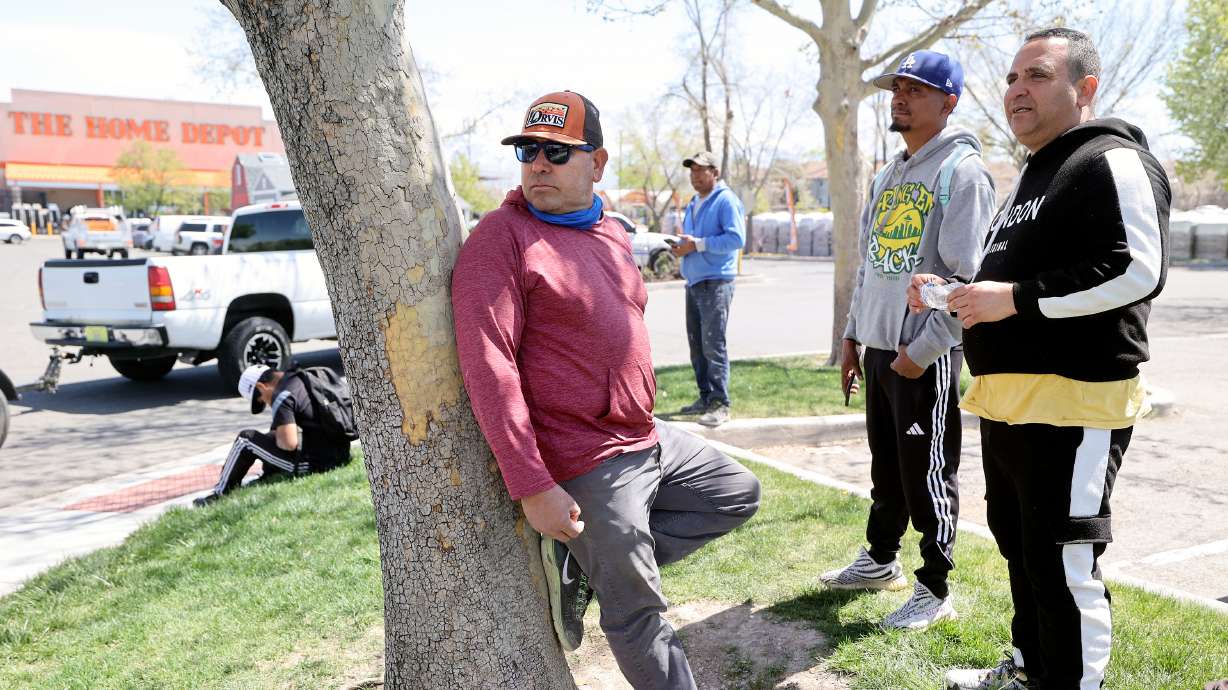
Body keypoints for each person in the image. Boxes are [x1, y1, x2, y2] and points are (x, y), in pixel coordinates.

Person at [451, 91, 761, 690]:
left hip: (646, 435)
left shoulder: (611, 230)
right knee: (640, 611)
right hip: (583, 455)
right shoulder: (501, 239)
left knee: (735, 493)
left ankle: (590, 565)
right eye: (529, 152)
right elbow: (489, 367)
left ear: (598, 162)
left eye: (556, 153)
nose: (538, 164)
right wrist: (534, 485)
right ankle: (612, 570)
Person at [907, 28, 1170, 690]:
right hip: (1007, 403)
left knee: (1061, 558)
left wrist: (1018, 299)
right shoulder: (1031, 174)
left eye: (1038, 76)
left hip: (1075, 401)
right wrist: (951, 297)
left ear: (1085, 89)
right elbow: (1007, 288)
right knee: (1019, 549)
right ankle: (1030, 670)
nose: (1017, 89)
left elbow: (1136, 269)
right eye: (1011, 78)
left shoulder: (1111, 160)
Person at [822, 50, 997, 631]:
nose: (900, 97)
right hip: (879, 348)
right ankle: (880, 559)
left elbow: (966, 282)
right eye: (897, 87)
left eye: (916, 90)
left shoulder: (962, 174)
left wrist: (920, 354)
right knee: (887, 465)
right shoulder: (888, 174)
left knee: (926, 469)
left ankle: (935, 585)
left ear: (949, 103)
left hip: (923, 354)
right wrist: (853, 335)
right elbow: (875, 267)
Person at [193, 364, 353, 506]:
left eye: (261, 400)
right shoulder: (304, 377)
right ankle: (267, 474)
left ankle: (220, 493)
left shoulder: (282, 395)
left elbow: (288, 444)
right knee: (275, 434)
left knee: (246, 439)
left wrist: (275, 437)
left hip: (318, 464)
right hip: (342, 453)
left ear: (262, 387)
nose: (266, 404)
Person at [672, 151, 746, 428]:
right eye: (692, 171)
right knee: (698, 346)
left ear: (715, 172)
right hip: (694, 282)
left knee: (713, 344)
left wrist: (698, 244)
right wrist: (683, 247)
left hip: (716, 282)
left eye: (701, 171)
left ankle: (720, 403)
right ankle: (705, 398)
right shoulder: (695, 201)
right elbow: (695, 240)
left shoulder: (726, 201)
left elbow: (736, 238)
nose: (695, 176)